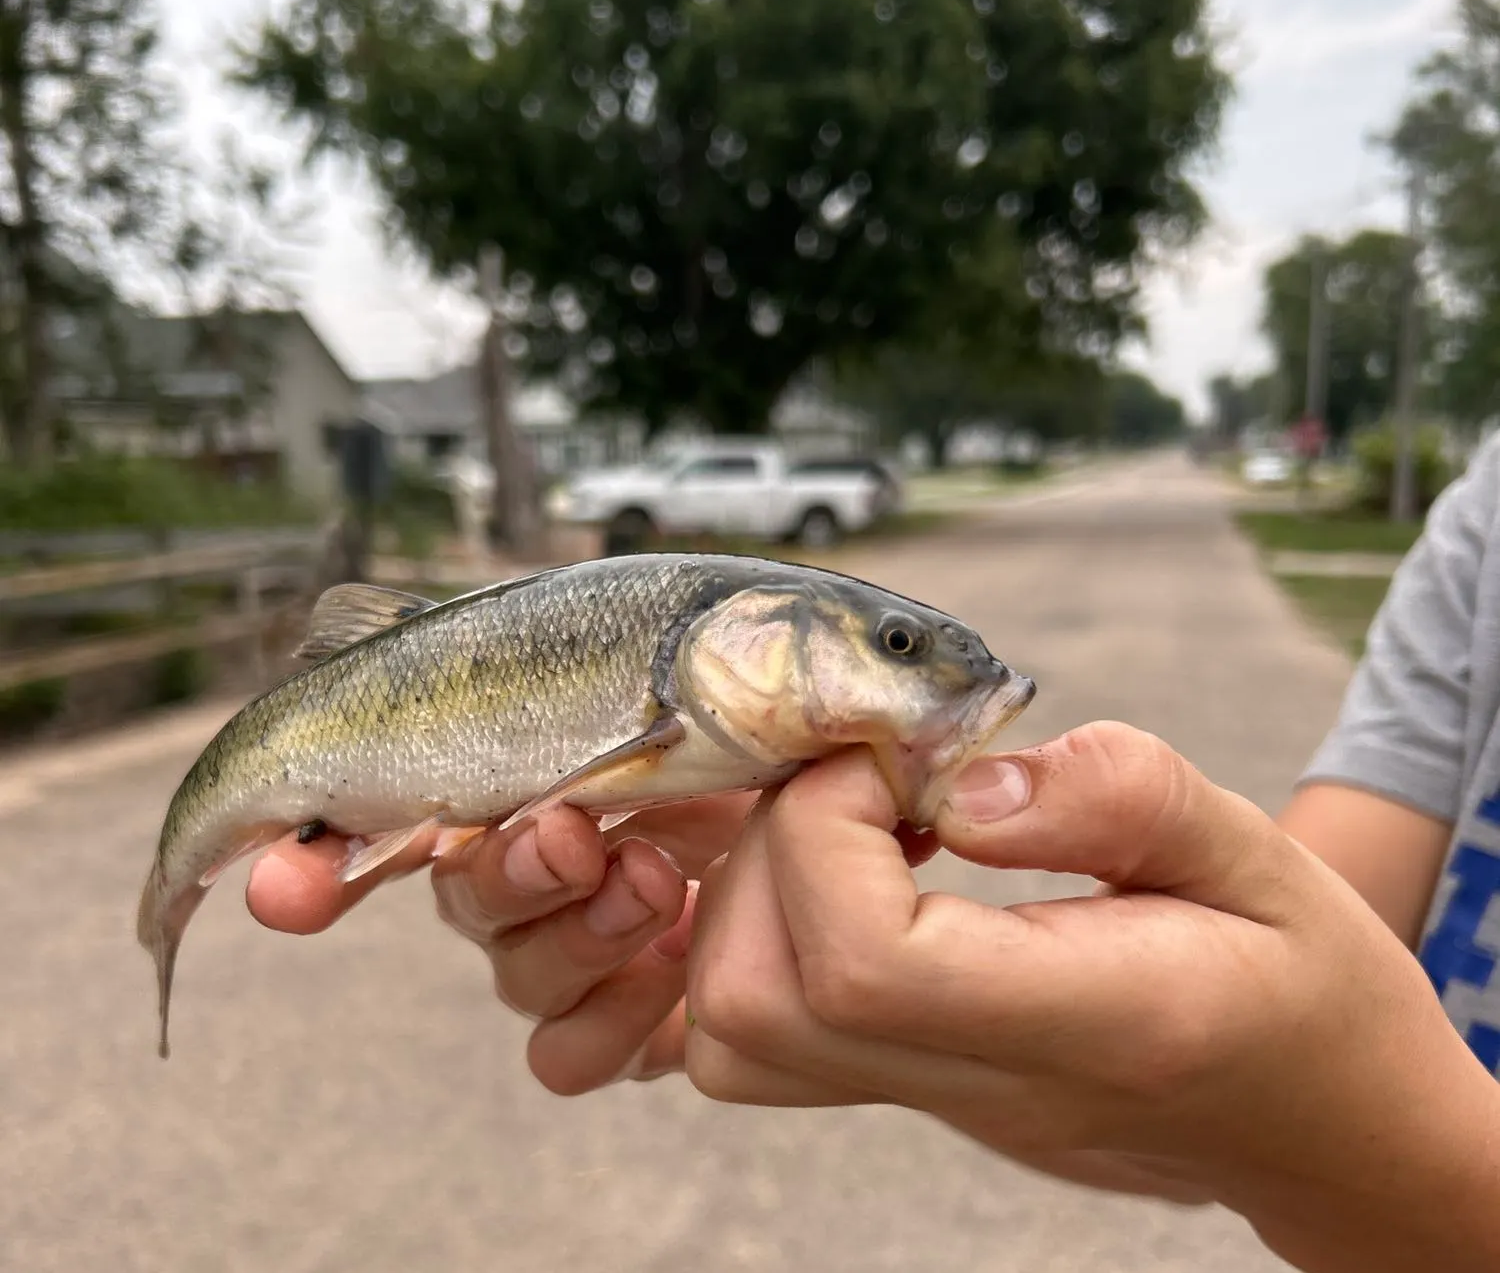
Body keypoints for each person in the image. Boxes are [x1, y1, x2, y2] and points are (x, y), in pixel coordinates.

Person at [241, 435, 1500, 1273]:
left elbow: (1317, 1074)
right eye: (895, 653)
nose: (934, 682)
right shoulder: (1476, 527)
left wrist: (1370, 1147)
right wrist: (901, 1026)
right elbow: (1309, 964)